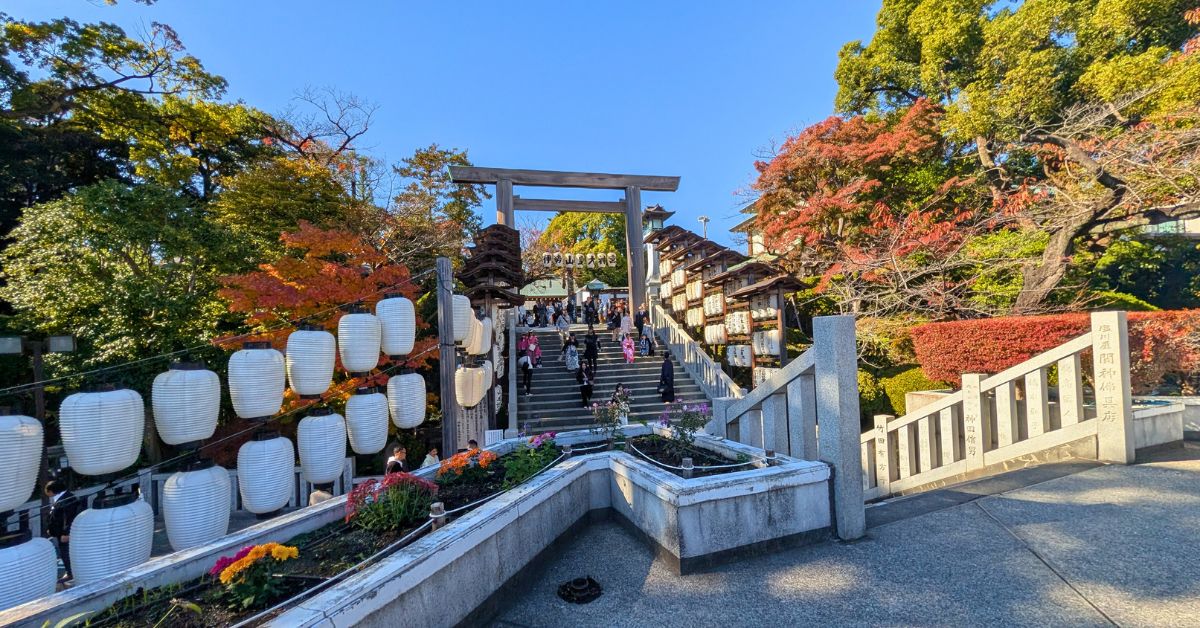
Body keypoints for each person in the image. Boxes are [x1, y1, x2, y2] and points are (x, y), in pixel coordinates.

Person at [45, 479, 82, 583]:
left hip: (64, 534)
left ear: (52, 490)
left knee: (67, 553)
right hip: (59, 532)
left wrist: (67, 533)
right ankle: (70, 571)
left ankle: (70, 573)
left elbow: (69, 518)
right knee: (64, 553)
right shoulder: (63, 497)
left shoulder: (67, 500)